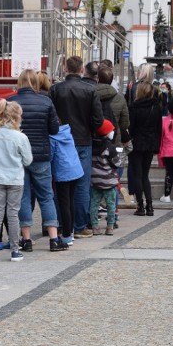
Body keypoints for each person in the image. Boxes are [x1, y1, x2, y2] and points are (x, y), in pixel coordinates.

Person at [7, 69, 66, 252]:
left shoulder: (11, 102)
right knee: (46, 196)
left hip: (17, 157)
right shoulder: (46, 101)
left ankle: (26, 240)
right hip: (41, 155)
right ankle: (54, 239)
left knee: (23, 197)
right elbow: (54, 129)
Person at [49, 57, 105, 239]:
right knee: (81, 183)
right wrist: (90, 129)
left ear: (65, 68)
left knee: (60, 183)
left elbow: (51, 116)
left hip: (60, 140)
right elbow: (98, 119)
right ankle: (80, 225)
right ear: (82, 69)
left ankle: (59, 224)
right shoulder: (90, 90)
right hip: (82, 140)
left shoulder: (55, 89)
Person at [0, 100, 32, 262]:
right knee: (13, 214)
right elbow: (28, 160)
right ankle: (15, 249)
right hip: (15, 179)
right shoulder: (21, 137)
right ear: (18, 117)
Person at [95, 65, 130, 229]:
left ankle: (93, 214)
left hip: (94, 144)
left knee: (92, 182)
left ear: (98, 79)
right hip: (116, 144)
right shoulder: (120, 98)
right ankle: (113, 216)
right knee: (115, 181)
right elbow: (125, 124)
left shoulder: (91, 94)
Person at [127, 81, 163, 216]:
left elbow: (131, 128)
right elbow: (159, 128)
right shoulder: (156, 107)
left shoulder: (134, 107)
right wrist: (157, 144)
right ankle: (150, 206)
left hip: (136, 143)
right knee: (145, 175)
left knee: (137, 175)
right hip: (150, 143)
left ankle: (140, 205)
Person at [49, 122, 83, 245]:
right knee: (70, 202)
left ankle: (67, 235)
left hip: (63, 173)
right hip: (75, 170)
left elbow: (50, 157)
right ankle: (71, 232)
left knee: (64, 204)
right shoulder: (67, 133)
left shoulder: (52, 138)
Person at [89, 120, 120, 236]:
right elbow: (116, 163)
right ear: (106, 133)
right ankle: (110, 226)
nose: (113, 132)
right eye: (111, 130)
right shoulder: (109, 147)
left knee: (94, 204)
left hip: (95, 180)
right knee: (111, 204)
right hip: (109, 181)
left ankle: (95, 227)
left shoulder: (91, 144)